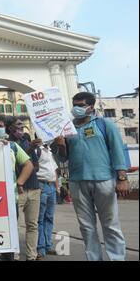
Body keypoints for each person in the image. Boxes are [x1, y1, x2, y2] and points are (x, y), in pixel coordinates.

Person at [54, 92, 129, 261]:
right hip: (77, 182)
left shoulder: (104, 124)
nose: (76, 108)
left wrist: (122, 178)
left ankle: (117, 258)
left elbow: (117, 150)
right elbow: (62, 158)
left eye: (80, 105)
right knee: (87, 227)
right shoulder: (67, 128)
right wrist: (61, 146)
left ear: (91, 107)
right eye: (74, 105)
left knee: (111, 225)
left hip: (104, 181)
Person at [0, 114, 34, 261]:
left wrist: (19, 182)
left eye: (1, 126)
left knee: (9, 237)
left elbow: (28, 165)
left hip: (9, 198)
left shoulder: (12, 146)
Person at [6, 116, 41, 261]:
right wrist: (29, 148)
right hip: (16, 190)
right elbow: (14, 166)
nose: (21, 127)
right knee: (13, 224)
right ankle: (14, 254)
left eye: (22, 125)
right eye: (17, 125)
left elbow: (34, 166)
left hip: (33, 188)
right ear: (10, 128)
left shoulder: (27, 142)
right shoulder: (7, 145)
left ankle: (31, 255)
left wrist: (32, 150)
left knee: (32, 224)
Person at [36, 141, 60, 259]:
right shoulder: (37, 150)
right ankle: (40, 247)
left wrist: (57, 187)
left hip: (51, 188)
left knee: (49, 218)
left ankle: (48, 245)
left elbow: (54, 170)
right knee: (40, 219)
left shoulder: (49, 151)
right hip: (41, 186)